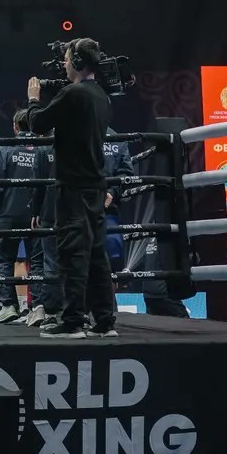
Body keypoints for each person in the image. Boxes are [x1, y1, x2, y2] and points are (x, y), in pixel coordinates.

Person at [26, 39, 118, 339]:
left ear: (77, 62)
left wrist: (33, 100)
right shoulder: (101, 96)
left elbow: (38, 124)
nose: (64, 65)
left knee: (72, 254)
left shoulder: (73, 93)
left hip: (74, 186)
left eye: (66, 60)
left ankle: (73, 321)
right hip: (94, 185)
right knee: (96, 255)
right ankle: (104, 320)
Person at [0, 109, 37, 322]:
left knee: (4, 259)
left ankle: (8, 305)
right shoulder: (44, 147)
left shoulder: (6, 148)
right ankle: (39, 306)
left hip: (8, 211)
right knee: (37, 260)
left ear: (15, 127)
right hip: (36, 213)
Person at [27, 130, 62, 326]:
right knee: (76, 261)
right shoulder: (80, 144)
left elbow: (37, 184)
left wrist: (36, 210)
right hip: (75, 211)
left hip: (50, 212)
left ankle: (51, 313)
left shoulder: (42, 150)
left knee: (51, 263)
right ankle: (78, 313)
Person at [103, 126, 135, 271]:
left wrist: (112, 192)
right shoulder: (78, 132)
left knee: (112, 255)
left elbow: (126, 173)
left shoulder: (117, 138)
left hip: (108, 209)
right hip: (81, 206)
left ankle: (112, 284)